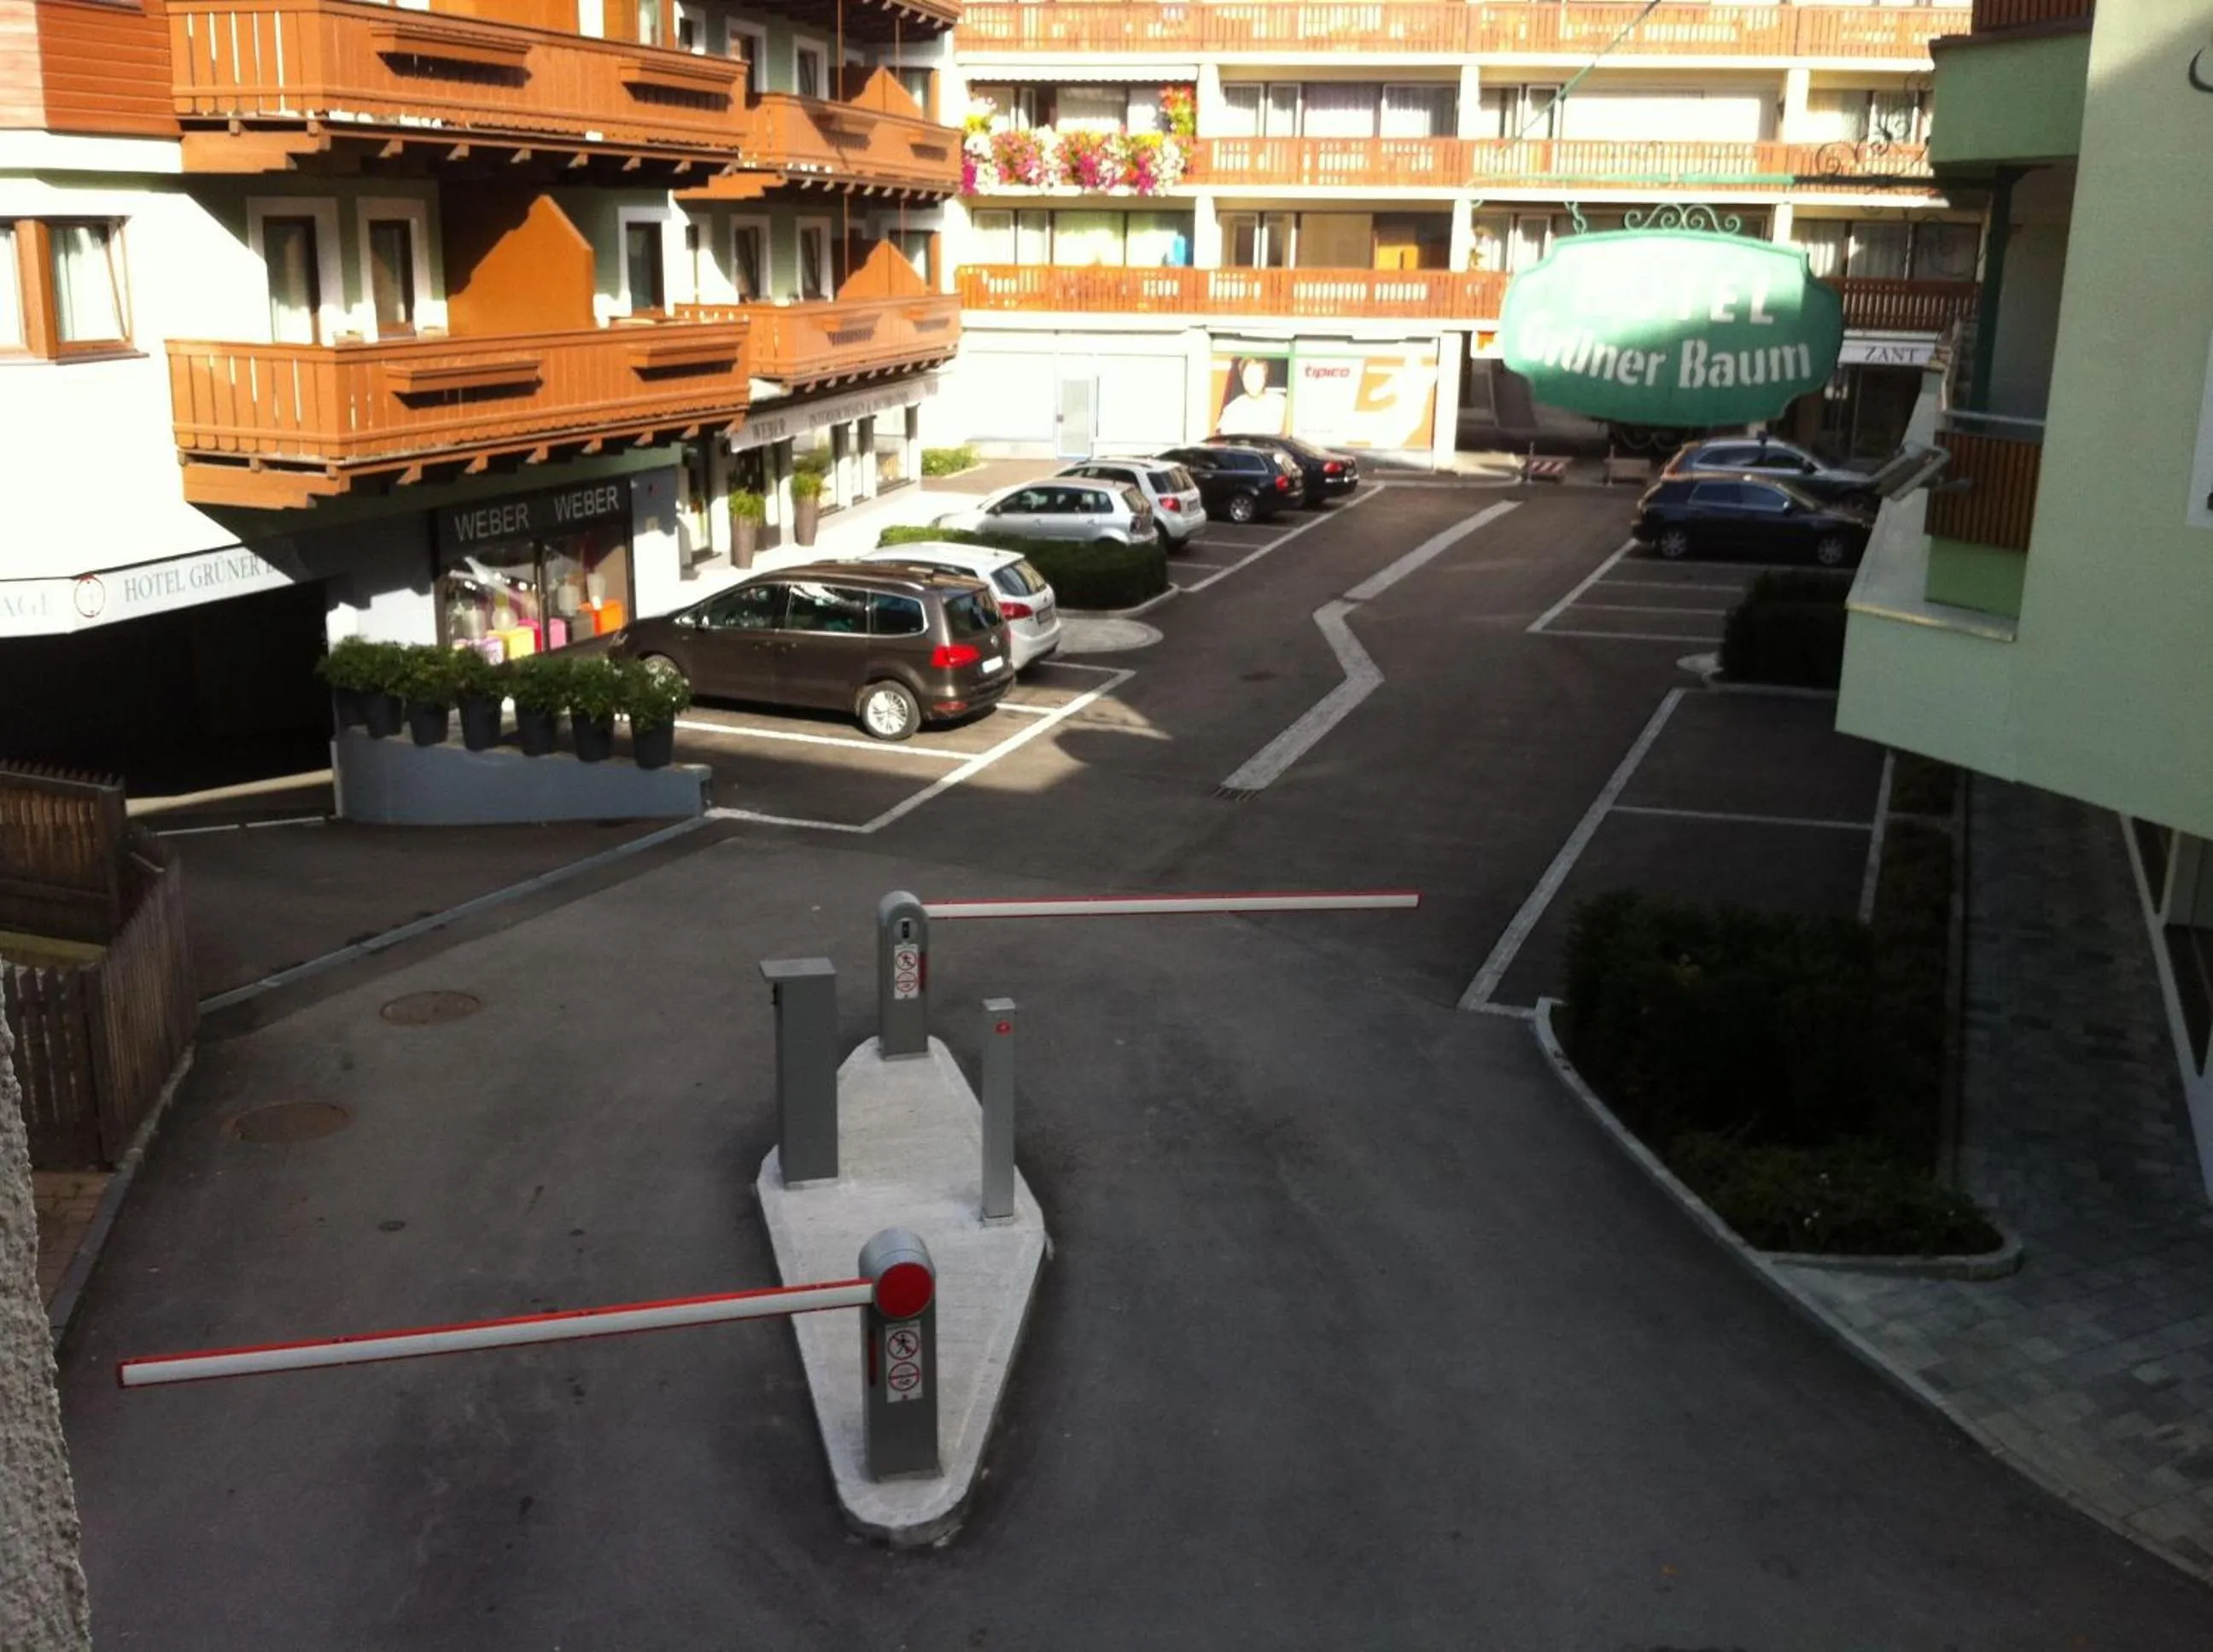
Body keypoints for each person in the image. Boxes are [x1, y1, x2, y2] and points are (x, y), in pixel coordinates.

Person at [1216, 354, 1288, 435]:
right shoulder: (1232, 409)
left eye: (1257, 376)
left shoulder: (1280, 404)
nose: (1253, 382)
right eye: (1249, 377)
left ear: (1265, 377)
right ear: (1242, 378)